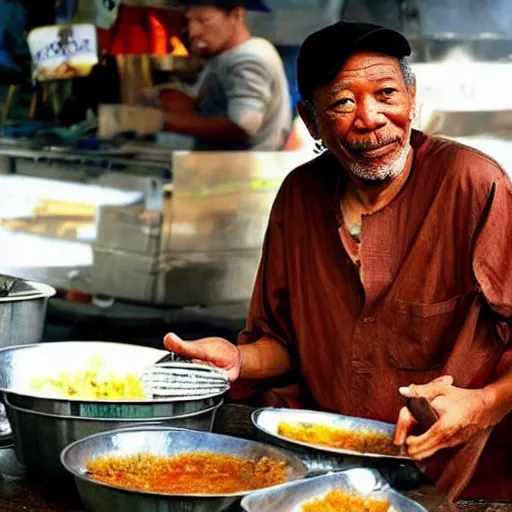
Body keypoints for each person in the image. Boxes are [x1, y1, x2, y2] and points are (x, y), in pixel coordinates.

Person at [162, 20, 512, 501]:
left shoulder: (472, 183)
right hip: (322, 474)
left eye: (386, 93)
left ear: (412, 98)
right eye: (343, 102)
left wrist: (483, 404)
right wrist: (239, 360)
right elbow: (286, 345)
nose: (370, 118)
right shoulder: (299, 195)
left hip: (452, 482)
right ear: (312, 122)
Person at [153, 0, 292, 150]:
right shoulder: (223, 56)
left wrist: (166, 122)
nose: (193, 32)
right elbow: (204, 103)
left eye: (204, 21)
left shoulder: (249, 59)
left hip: (243, 168)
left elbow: (242, 126)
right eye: (189, 21)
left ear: (237, 16)